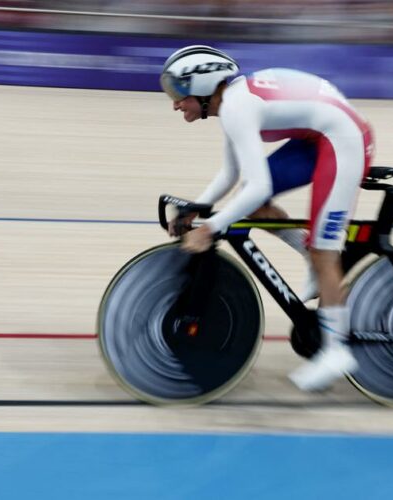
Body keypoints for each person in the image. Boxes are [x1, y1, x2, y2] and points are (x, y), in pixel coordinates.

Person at [160, 45, 374, 391]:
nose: (174, 103)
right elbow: (232, 174)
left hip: (343, 140)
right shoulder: (231, 104)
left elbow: (257, 186)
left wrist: (211, 227)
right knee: (255, 207)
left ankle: (336, 351)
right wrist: (195, 207)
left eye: (178, 91)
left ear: (203, 86)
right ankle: (312, 260)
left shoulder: (236, 109)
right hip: (316, 137)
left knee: (324, 249)